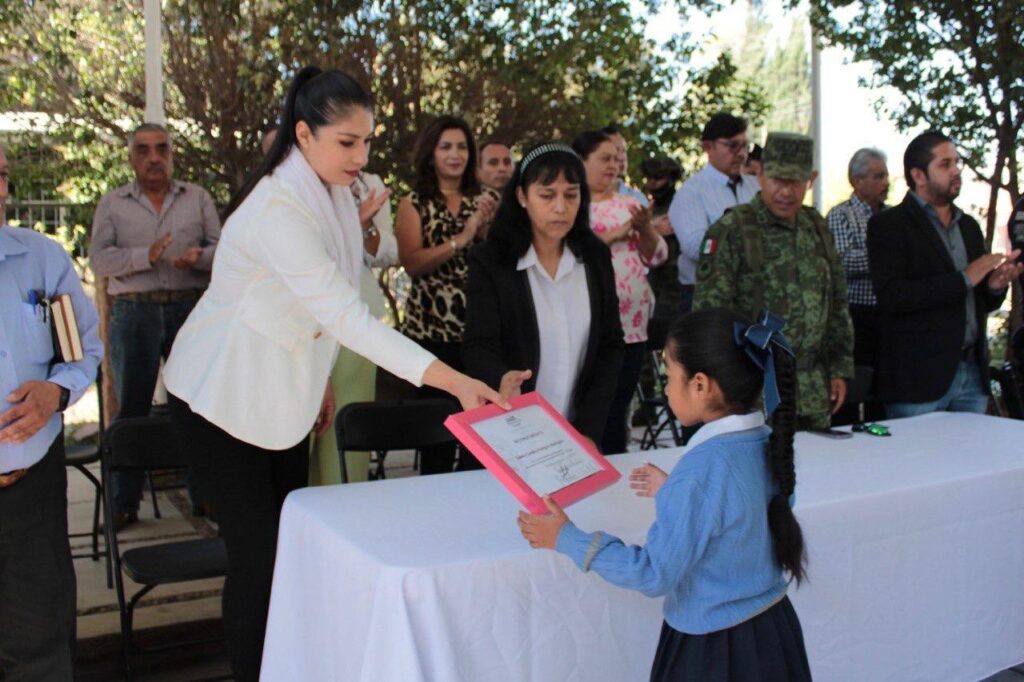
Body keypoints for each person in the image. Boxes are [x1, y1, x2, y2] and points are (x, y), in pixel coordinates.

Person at [162, 67, 504, 681]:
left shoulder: (334, 190)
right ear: (303, 133)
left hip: (282, 396)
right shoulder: (276, 208)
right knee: (259, 558)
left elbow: (336, 295)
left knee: (293, 548)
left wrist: (317, 377)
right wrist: (452, 380)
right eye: (347, 142)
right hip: (217, 398)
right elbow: (347, 316)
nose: (361, 155)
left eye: (367, 141)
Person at [518, 308, 811, 682]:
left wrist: (567, 538)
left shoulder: (700, 475)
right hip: (775, 633)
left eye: (669, 376)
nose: (667, 389)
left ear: (701, 385)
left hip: (715, 651)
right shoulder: (767, 444)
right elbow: (742, 513)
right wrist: (675, 490)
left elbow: (654, 573)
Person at [0, 145, 104, 680]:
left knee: (40, 643)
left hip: (30, 488)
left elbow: (84, 347)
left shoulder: (40, 259)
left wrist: (57, 392)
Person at [90, 122, 221, 528]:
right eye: (144, 150)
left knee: (197, 405)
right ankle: (124, 502)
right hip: (135, 311)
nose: (153, 158)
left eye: (161, 149)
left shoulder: (197, 198)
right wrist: (146, 256)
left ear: (171, 155)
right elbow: (100, 260)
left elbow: (224, 252)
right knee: (130, 408)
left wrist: (198, 258)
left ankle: (206, 495)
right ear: (132, 157)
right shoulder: (113, 204)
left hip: (189, 309)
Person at [463, 143, 624, 444]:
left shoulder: (595, 257)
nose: (560, 207)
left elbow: (610, 346)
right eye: (547, 195)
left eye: (571, 195)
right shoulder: (492, 261)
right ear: (522, 196)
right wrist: (501, 378)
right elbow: (478, 344)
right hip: (511, 433)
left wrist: (588, 430)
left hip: (580, 434)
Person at [695, 132, 854, 431]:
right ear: (760, 173)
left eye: (795, 182)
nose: (786, 191)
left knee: (818, 474)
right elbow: (710, 316)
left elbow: (837, 302)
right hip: (754, 393)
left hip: (812, 390)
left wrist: (839, 368)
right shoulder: (733, 230)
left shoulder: (816, 227)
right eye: (778, 180)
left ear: (811, 179)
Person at [867, 130, 1022, 418]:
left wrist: (995, 286)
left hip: (971, 374)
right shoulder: (889, 226)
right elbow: (893, 297)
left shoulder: (969, 227)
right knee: (916, 462)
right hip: (917, 381)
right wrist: (965, 277)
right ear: (919, 175)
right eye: (945, 164)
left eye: (957, 163)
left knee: (972, 462)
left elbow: (978, 301)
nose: (956, 171)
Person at [395, 115, 498, 473]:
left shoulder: (487, 200)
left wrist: (486, 233)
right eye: (446, 147)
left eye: (462, 147)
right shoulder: (413, 202)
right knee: (436, 435)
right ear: (431, 153)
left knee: (482, 432)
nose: (455, 154)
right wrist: (462, 238)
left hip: (479, 331)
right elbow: (412, 264)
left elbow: (500, 260)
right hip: (431, 334)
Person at [573, 130, 667, 454]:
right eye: (604, 158)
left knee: (619, 406)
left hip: (632, 324)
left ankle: (615, 468)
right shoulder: (571, 204)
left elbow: (656, 255)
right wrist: (620, 232)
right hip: (586, 323)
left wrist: (645, 229)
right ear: (582, 162)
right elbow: (575, 250)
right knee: (587, 407)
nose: (613, 165)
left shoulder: (632, 204)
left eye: (616, 158)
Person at [309, 169, 395, 485]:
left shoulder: (369, 184)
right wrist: (349, 226)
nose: (358, 154)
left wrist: (364, 224)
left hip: (357, 324)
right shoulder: (287, 190)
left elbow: (388, 251)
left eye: (363, 141)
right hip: (301, 328)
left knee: (346, 452)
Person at [669, 113, 759, 314]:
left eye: (745, 146)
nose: (742, 153)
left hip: (752, 294)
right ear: (708, 147)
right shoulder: (691, 193)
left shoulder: (756, 187)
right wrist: (748, 242)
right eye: (732, 145)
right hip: (704, 295)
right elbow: (695, 247)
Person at [827, 148, 890, 423]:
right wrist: (886, 257)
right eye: (878, 176)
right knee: (851, 393)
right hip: (856, 315)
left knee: (884, 391)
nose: (885, 182)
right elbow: (841, 263)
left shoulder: (893, 217)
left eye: (885, 175)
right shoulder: (841, 215)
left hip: (889, 314)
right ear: (857, 180)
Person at [640, 156, 684, 321]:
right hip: (655, 281)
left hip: (677, 283)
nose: (652, 183)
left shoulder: (682, 203)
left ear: (671, 179)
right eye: (649, 178)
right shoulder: (649, 207)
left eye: (658, 178)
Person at [601, 124, 648, 206]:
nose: (622, 157)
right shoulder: (583, 197)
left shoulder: (637, 199)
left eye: (624, 150)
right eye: (616, 150)